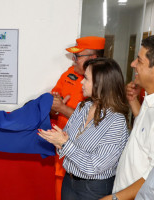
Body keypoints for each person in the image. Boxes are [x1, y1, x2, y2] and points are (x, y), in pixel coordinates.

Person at [39, 58, 130, 199]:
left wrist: (64, 143)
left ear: (101, 84)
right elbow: (66, 141)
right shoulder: (84, 107)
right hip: (69, 182)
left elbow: (93, 166)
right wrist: (57, 140)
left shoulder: (116, 121)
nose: (81, 82)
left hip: (93, 189)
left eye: (86, 78)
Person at [51, 36, 105, 200]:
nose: (73, 60)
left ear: (93, 58)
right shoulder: (69, 74)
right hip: (62, 158)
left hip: (86, 166)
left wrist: (63, 108)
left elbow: (98, 120)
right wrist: (54, 106)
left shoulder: (104, 82)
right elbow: (54, 106)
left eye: (78, 56)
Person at [101, 35, 154, 200]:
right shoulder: (148, 98)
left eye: (139, 61)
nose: (132, 64)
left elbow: (151, 177)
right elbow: (145, 131)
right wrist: (132, 101)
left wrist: (115, 198)